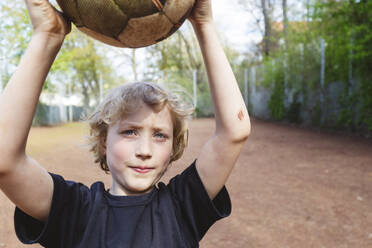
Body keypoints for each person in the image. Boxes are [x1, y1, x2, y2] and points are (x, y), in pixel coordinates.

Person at [0, 0, 251, 247]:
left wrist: (204, 25)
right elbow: (4, 158)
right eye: (130, 132)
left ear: (173, 147)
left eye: (160, 135)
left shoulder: (183, 206)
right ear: (103, 142)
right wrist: (47, 35)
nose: (145, 150)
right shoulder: (75, 212)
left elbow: (234, 131)